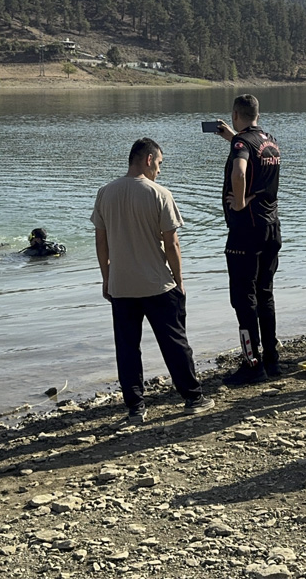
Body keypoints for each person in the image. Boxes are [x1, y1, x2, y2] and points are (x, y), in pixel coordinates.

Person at [91, 138, 213, 424]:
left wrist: (106, 278)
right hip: (157, 284)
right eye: (158, 164)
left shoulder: (105, 192)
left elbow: (101, 242)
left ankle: (135, 407)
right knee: (174, 342)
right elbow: (172, 244)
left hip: (121, 285)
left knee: (127, 348)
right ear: (148, 159)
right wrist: (180, 280)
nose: (159, 170)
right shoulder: (160, 194)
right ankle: (192, 397)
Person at [211, 94, 283, 386]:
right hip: (271, 226)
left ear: (235, 114)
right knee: (265, 292)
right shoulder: (270, 141)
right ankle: (271, 361)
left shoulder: (241, 144)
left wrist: (239, 202)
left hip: (246, 230)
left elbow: (240, 170)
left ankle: (252, 365)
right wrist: (231, 136)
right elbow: (259, 169)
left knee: (243, 298)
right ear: (257, 114)